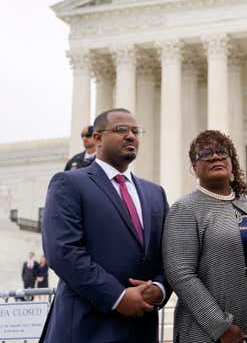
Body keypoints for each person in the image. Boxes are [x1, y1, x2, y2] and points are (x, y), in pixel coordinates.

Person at [41, 108, 170, 343]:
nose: (131, 136)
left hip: (141, 329)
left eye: (135, 131)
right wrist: (118, 297)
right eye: (121, 129)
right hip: (86, 328)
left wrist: (160, 288)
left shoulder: (155, 194)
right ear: (98, 138)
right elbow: (63, 251)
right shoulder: (70, 183)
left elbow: (169, 253)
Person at [163, 130, 247, 343]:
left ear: (232, 162)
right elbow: (181, 274)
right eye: (205, 153)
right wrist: (220, 326)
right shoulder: (185, 209)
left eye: (222, 152)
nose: (215, 157)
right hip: (212, 334)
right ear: (194, 168)